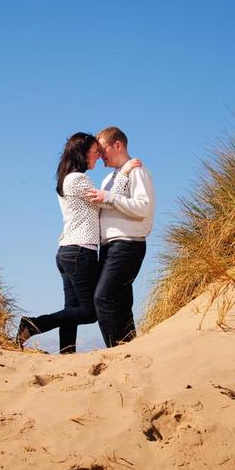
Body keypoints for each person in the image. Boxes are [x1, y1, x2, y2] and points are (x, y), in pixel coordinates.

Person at [16, 132, 140, 353]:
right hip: (80, 251)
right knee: (90, 311)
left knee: (72, 309)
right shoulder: (77, 179)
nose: (98, 156)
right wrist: (125, 172)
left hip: (68, 252)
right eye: (95, 152)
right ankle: (33, 324)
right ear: (82, 154)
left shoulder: (67, 179)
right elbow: (105, 203)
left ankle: (67, 353)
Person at [86, 127, 155, 348]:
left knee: (103, 297)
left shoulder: (138, 171)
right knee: (121, 302)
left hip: (128, 244)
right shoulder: (110, 177)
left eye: (102, 149)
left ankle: (115, 353)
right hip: (109, 247)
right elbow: (108, 201)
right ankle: (131, 350)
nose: (100, 155)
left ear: (118, 145)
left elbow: (143, 207)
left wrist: (109, 197)